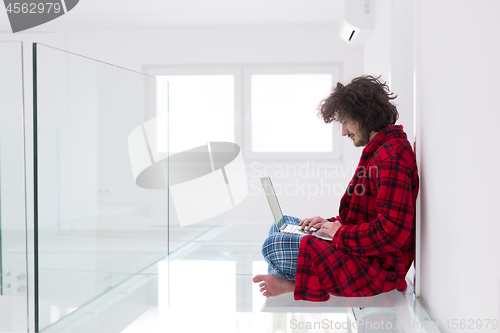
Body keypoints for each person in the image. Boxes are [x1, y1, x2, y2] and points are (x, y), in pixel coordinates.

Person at [253, 75, 419, 301]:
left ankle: (289, 283)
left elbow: (392, 233)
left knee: (273, 246)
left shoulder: (390, 158)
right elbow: (367, 216)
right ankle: (292, 282)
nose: (343, 132)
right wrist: (332, 225)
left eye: (346, 122)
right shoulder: (380, 150)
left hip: (380, 268)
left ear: (366, 117)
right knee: (281, 226)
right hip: (363, 251)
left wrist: (339, 233)